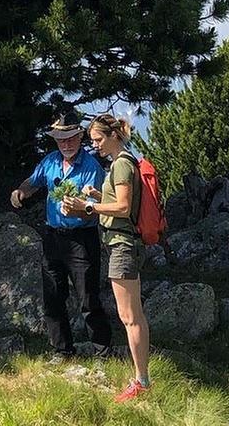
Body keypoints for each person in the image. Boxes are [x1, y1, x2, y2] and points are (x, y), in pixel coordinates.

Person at [10, 113, 112, 359]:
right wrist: (20, 192)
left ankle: (102, 350)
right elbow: (33, 181)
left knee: (87, 296)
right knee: (53, 296)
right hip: (53, 237)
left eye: (70, 139)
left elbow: (93, 209)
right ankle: (62, 350)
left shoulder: (91, 167)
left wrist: (78, 208)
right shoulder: (50, 162)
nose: (65, 144)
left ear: (79, 137)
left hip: (81, 239)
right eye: (60, 140)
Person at [63, 113, 150, 403]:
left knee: (130, 317)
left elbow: (124, 208)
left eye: (98, 140)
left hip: (122, 245)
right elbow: (119, 202)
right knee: (131, 316)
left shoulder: (122, 164)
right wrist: (98, 195)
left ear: (113, 136)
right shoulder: (120, 163)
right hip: (121, 244)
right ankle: (141, 379)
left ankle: (141, 382)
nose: (95, 146)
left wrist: (88, 207)